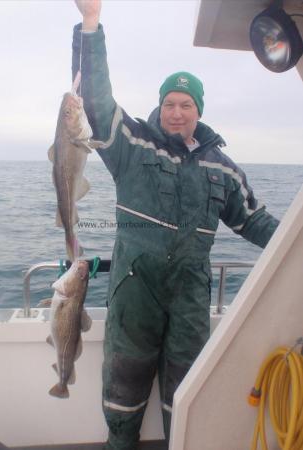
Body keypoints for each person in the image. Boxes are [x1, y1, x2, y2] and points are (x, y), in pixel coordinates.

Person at [73, 1, 279, 449]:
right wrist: (91, 26)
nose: (177, 112)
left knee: (184, 400)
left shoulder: (222, 169)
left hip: (189, 300)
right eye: (170, 103)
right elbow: (96, 101)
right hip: (134, 297)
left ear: (199, 110)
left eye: (186, 104)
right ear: (160, 107)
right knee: (122, 399)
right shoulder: (132, 145)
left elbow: (256, 221)